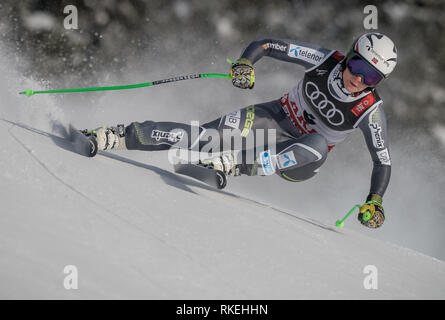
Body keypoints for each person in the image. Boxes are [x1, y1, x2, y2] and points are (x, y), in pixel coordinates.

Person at [87, 32, 397, 229]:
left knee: (316, 142)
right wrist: (245, 64)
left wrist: (375, 200)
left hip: (301, 160)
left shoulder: (369, 111)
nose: (359, 79)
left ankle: (232, 164)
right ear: (349, 55)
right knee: (206, 138)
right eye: (358, 66)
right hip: (273, 119)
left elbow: (382, 160)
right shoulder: (325, 60)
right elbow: (267, 44)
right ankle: (115, 136)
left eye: (372, 77)